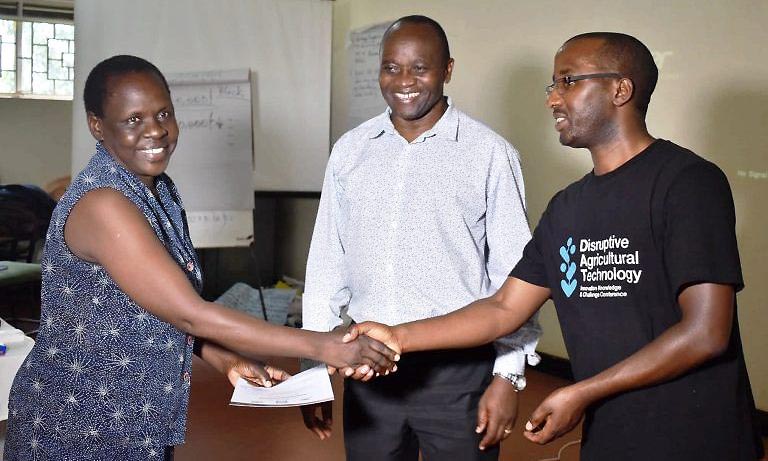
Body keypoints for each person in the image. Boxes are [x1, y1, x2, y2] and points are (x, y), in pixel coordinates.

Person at [350, 32, 764, 460]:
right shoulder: (567, 208)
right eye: (553, 85)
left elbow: (705, 333)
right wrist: (397, 336)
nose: (553, 99)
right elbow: (502, 309)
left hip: (698, 439)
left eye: (569, 81)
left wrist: (582, 392)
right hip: (611, 438)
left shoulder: (687, 183)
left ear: (620, 89)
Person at [3, 55, 397, 461]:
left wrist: (225, 358)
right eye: (133, 120)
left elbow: (156, 310)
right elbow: (191, 313)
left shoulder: (158, 190)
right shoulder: (105, 204)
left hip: (132, 415)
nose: (155, 129)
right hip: (77, 423)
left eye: (163, 113)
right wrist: (325, 346)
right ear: (97, 126)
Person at [300, 15, 540, 461]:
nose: (404, 81)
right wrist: (314, 372)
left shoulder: (489, 153)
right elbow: (327, 263)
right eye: (391, 67)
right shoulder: (351, 150)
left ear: (447, 69)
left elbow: (514, 275)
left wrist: (508, 376)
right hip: (368, 370)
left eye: (420, 68)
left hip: (458, 373)